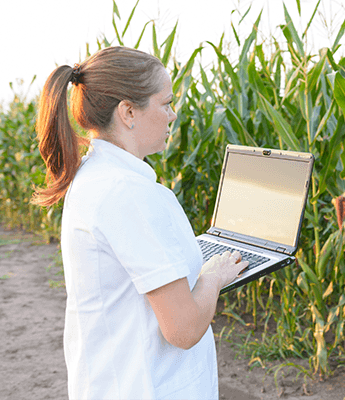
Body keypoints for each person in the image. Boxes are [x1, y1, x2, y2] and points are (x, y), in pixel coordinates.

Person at [32, 46, 248, 399]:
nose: (173, 115)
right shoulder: (126, 193)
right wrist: (213, 277)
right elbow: (184, 328)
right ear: (128, 112)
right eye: (166, 103)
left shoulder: (95, 175)